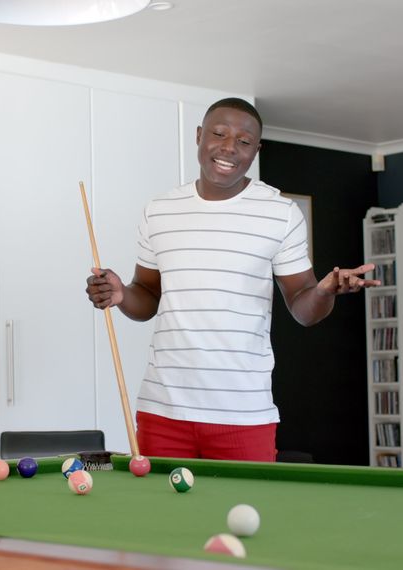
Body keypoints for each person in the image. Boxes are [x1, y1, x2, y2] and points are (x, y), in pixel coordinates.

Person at [85, 98, 379, 462]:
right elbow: (146, 296)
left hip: (244, 413)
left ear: (257, 150)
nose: (228, 148)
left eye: (243, 141)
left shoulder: (280, 213)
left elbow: (305, 309)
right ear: (198, 136)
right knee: (161, 519)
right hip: (163, 410)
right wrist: (120, 295)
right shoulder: (159, 211)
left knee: (243, 517)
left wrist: (324, 291)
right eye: (219, 134)